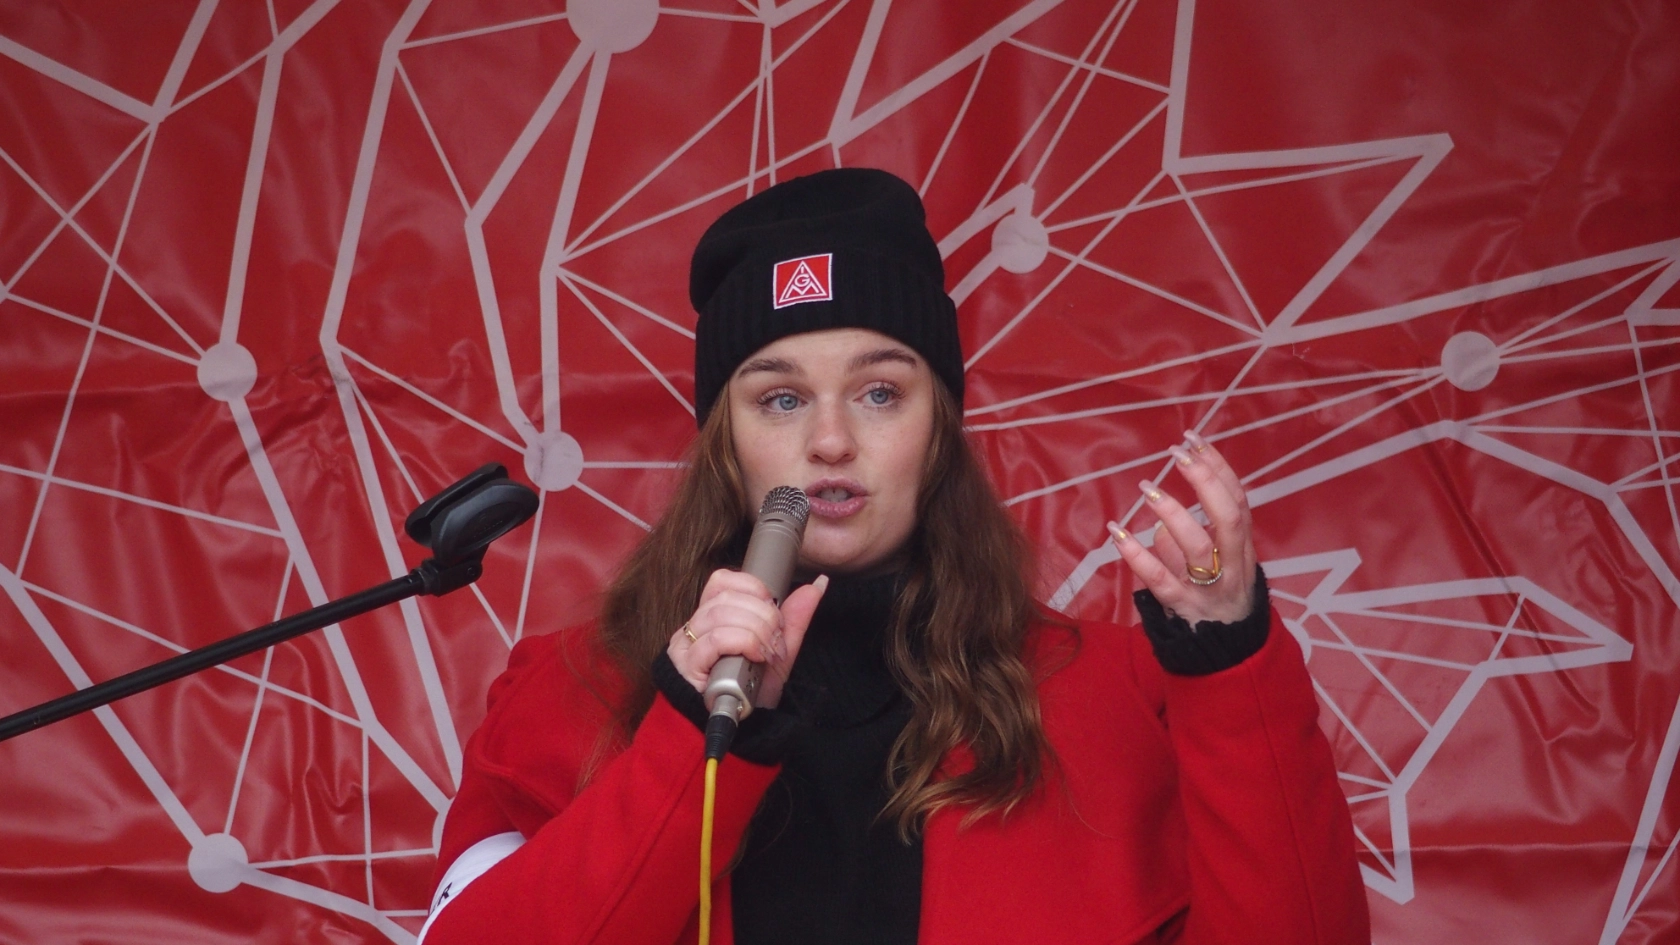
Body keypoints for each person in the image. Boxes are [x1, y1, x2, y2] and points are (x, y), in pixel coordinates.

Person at [417, 168, 1371, 944]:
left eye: (880, 392)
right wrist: (691, 733)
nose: (830, 440)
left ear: (939, 428)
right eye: (780, 398)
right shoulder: (569, 689)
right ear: (723, 439)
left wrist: (1229, 667)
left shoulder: (1112, 694)